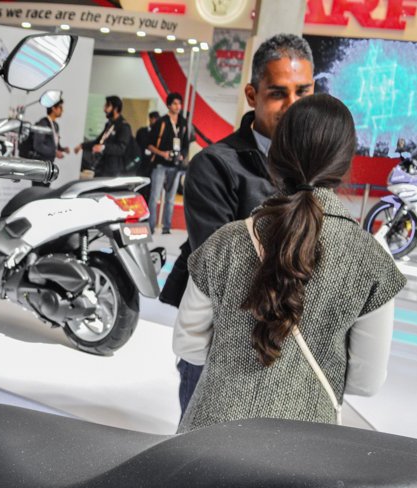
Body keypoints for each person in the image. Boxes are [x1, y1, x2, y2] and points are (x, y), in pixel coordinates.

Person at [173, 94, 404, 432]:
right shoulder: (372, 262)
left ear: (276, 156)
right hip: (304, 446)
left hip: (208, 435)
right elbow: (365, 382)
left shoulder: (225, 241)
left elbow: (188, 344)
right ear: (344, 163)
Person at [161, 33, 315, 416]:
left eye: (303, 92)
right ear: (252, 94)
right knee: (204, 463)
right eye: (278, 93)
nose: (293, 106)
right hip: (222, 347)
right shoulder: (216, 166)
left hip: (293, 351)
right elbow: (222, 267)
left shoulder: (316, 168)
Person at [148, 94, 188, 234]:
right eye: (175, 103)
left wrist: (182, 154)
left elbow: (186, 144)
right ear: (169, 105)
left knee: (170, 199)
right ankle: (151, 227)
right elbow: (149, 145)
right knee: (154, 197)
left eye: (179, 103)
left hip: (175, 166)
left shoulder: (183, 123)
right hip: (160, 164)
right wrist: (162, 153)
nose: (178, 106)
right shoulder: (161, 122)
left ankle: (167, 227)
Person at [83, 96, 133, 178]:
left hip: (113, 170)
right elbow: (98, 141)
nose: (104, 109)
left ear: (115, 108)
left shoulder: (124, 126)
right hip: (101, 166)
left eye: (107, 106)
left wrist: (103, 148)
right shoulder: (109, 125)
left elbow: (121, 148)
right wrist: (82, 146)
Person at [29, 95, 68, 162]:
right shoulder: (43, 123)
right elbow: (38, 145)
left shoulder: (56, 125)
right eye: (60, 107)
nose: (62, 110)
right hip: (40, 162)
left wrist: (62, 149)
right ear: (53, 108)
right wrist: (55, 153)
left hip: (49, 161)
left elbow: (53, 144)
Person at [134, 110, 160, 199]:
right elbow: (136, 145)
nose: (155, 121)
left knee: (149, 187)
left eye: (157, 119)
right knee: (139, 184)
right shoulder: (142, 131)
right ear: (150, 119)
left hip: (152, 164)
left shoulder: (159, 135)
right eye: (153, 119)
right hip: (140, 162)